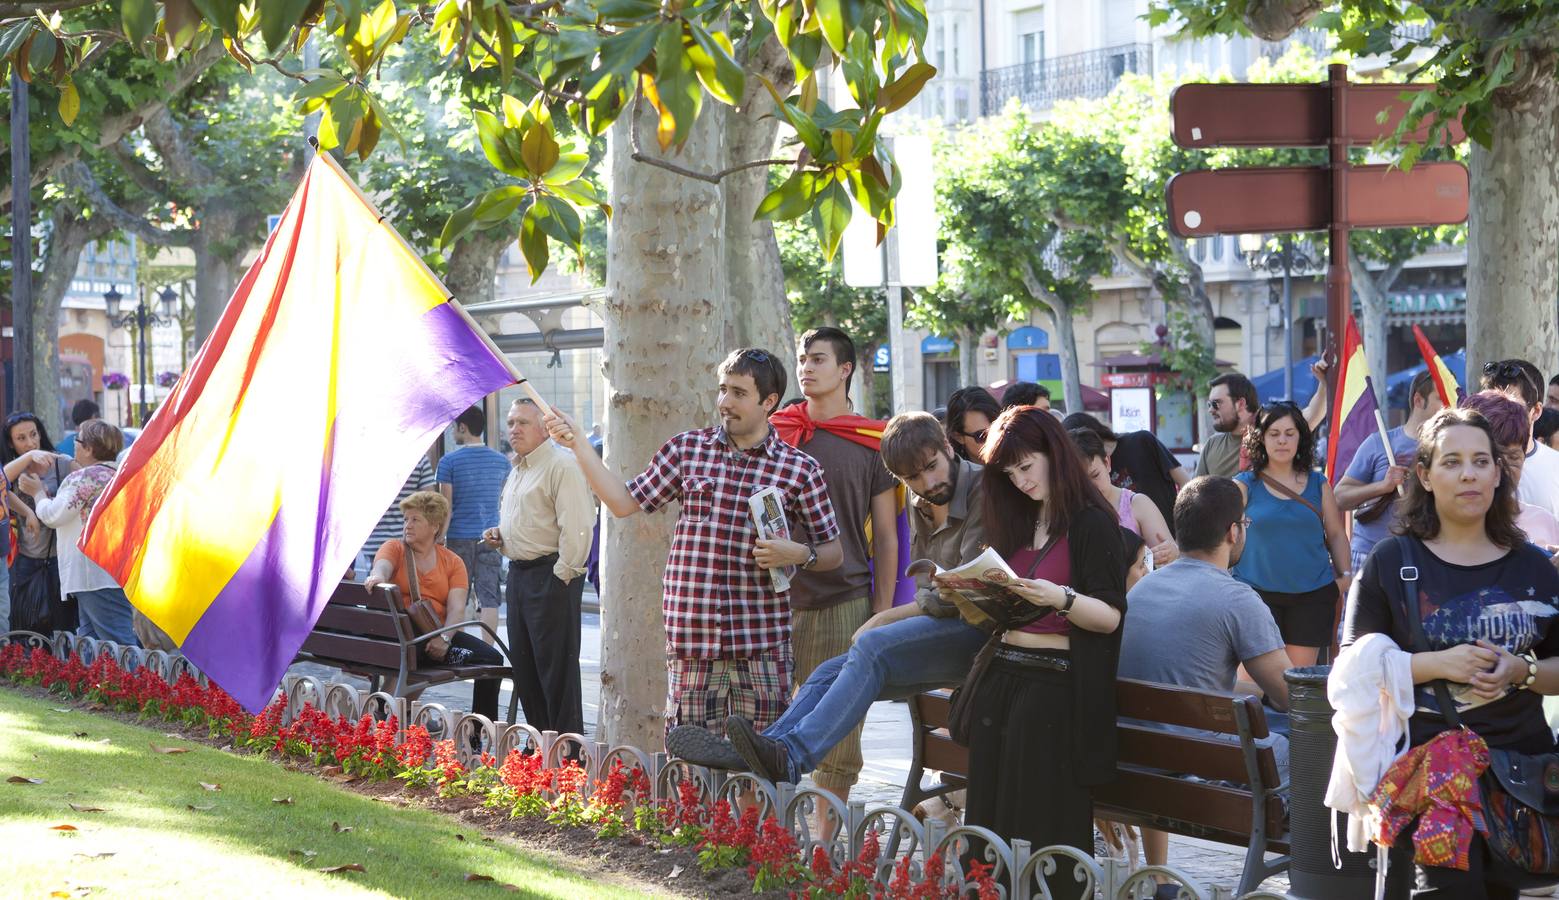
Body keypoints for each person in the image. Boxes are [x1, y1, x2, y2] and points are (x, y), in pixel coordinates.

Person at [664, 412, 990, 783]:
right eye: (913, 478)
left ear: (948, 447)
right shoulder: (920, 503)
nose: (928, 483)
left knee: (872, 645)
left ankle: (792, 756)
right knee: (825, 673)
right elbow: (929, 586)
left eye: (932, 467)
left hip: (980, 633)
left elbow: (958, 590)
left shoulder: (983, 490)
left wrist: (882, 618)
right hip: (944, 628)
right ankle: (762, 749)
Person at [543, 348, 842, 746]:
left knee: (763, 768)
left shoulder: (799, 469)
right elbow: (621, 502)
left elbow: (833, 552)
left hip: (763, 647)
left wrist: (799, 554)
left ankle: (754, 813)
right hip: (692, 644)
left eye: (738, 393)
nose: (724, 402)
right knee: (690, 770)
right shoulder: (687, 450)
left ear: (769, 402)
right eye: (722, 390)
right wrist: (579, 444)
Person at [1343, 407, 1559, 898]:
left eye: (1481, 461)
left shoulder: (1535, 567)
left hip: (1521, 784)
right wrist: (1434, 665)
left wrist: (1520, 671)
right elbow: (1350, 671)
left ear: (1498, 473)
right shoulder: (1393, 562)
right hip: (1430, 786)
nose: (1468, 474)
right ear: (1425, 474)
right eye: (1452, 461)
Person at [959, 406, 1126, 900]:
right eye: (1010, 474)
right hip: (1002, 677)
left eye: (1026, 467)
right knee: (987, 819)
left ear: (1054, 454)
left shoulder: (1092, 523)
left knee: (1039, 821)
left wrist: (1060, 597)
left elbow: (1112, 615)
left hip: (1053, 686)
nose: (1021, 482)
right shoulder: (1020, 519)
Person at [1118, 475, 1294, 876]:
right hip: (1193, 775)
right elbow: (1288, 695)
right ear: (1233, 532)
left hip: (1130, 765)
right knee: (1302, 752)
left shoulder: (1141, 591)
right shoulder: (1236, 598)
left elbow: (1183, 679)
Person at [765, 327, 899, 807]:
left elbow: (885, 538)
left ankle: (823, 850)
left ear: (845, 370)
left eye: (818, 359)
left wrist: (880, 614)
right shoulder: (773, 432)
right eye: (802, 358)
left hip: (845, 600)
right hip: (769, 603)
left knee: (839, 734)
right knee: (764, 724)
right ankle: (763, 840)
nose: (806, 367)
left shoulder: (872, 441)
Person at [480, 398, 595, 736]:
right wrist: (502, 535)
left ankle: (567, 754)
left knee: (556, 672)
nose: (513, 429)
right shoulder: (519, 467)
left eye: (523, 423)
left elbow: (578, 525)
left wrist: (563, 575)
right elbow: (533, 519)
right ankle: (541, 748)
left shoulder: (563, 466)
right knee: (527, 670)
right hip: (518, 576)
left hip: (551, 577)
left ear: (545, 428)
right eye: (511, 422)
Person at [363, 491, 505, 722]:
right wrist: (377, 576)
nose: (407, 525)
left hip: (435, 635)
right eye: (406, 519)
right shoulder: (395, 548)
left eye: (415, 519)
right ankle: (386, 714)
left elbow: (457, 609)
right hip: (402, 638)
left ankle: (478, 733)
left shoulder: (453, 561)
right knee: (413, 655)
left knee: (492, 659)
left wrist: (445, 639)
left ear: (435, 527)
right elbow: (382, 568)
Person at [1233, 402, 1352, 666]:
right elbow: (1222, 537)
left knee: (1293, 692)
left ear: (1301, 437)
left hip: (1311, 597)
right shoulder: (1243, 484)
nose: (1282, 441)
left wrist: (1344, 578)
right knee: (1250, 689)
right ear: (1261, 438)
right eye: (1274, 433)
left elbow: (1335, 534)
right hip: (1255, 595)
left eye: (1290, 433)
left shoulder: (1319, 484)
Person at [24, 420, 137, 645]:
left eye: (78, 440)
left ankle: (140, 680)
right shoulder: (119, 475)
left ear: (89, 449)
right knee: (93, 641)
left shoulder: (84, 478)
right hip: (113, 570)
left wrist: (37, 494)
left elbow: (54, 515)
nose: (74, 446)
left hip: (92, 574)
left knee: (117, 643)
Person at [1335, 371, 1444, 572]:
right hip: (1371, 554)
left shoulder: (1453, 451)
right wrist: (1382, 487)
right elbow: (1339, 497)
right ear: (1419, 400)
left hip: (1426, 558)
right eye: (1441, 398)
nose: (1448, 405)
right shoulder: (1379, 443)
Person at [437, 404, 512, 642]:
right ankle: (487, 649)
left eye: (454, 428)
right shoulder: (502, 462)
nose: (452, 433)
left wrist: (440, 536)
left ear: (463, 427)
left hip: (458, 536)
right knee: (489, 596)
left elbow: (445, 506)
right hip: (491, 536)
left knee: (459, 594)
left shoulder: (448, 462)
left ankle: (460, 647)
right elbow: (504, 501)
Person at [4, 413, 78, 633]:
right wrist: (28, 512)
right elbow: (2, 487)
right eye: (21, 438)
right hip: (25, 559)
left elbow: (84, 486)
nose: (30, 443)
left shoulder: (61, 463)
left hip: (60, 558)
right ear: (10, 443)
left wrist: (44, 497)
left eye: (34, 435)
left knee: (64, 626)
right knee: (27, 624)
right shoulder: (13, 468)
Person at [1460, 391, 1559, 549]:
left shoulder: (1545, 524)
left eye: (1513, 458)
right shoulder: (1443, 528)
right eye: (1485, 460)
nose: (1501, 470)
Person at [1062, 412, 1191, 533]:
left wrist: (1187, 524)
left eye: (1095, 475)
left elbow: (1185, 483)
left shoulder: (1142, 441)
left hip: (1174, 532)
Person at [1068, 427, 1176, 566]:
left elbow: (1169, 558)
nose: (1091, 487)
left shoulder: (1137, 505)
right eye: (1080, 482)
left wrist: (1172, 553)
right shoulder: (1065, 512)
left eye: (1095, 475)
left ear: (1107, 463)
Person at [1482, 359, 1559, 519]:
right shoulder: (1469, 464)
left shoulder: (1555, 466)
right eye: (1490, 402)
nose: (1498, 412)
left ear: (1536, 411)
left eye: (1511, 405)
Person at [359, 450, 437, 576]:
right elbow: (431, 504)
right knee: (410, 591)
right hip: (409, 541)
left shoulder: (365, 459)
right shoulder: (418, 458)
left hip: (374, 542)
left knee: (378, 589)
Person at [1197, 373, 1259, 477]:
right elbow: (1196, 492)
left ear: (1241, 404)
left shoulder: (1270, 440)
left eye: (1216, 404)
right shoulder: (1212, 444)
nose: (1210, 410)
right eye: (1209, 404)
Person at [944, 386, 1001, 461]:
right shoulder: (951, 471)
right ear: (958, 437)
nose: (995, 440)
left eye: (1000, 430)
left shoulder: (1018, 461)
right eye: (982, 436)